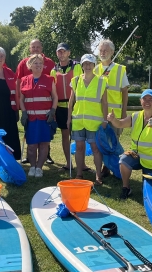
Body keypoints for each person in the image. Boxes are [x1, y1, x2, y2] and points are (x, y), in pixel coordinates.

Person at [107, 89, 152, 200]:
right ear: (141, 101)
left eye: (151, 99)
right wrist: (113, 119)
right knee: (123, 161)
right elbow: (120, 124)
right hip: (136, 155)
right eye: (145, 99)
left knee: (149, 192)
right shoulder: (135, 116)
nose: (147, 101)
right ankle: (126, 188)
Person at [66, 54, 108, 185]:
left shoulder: (102, 81)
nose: (87, 66)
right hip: (78, 121)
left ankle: (98, 175)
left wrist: (105, 120)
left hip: (94, 122)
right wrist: (69, 118)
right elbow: (71, 101)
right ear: (82, 65)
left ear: (94, 65)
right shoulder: (76, 80)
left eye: (90, 64)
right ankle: (79, 174)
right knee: (79, 147)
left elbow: (104, 103)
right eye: (85, 64)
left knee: (96, 149)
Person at [16, 39, 57, 164]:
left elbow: (54, 96)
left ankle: (42, 163)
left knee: (44, 142)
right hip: (31, 116)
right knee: (32, 142)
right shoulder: (24, 73)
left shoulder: (49, 73)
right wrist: (23, 111)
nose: (35, 49)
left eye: (38, 47)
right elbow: (21, 93)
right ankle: (32, 162)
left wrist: (53, 110)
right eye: (33, 47)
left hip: (45, 115)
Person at [94, 39, 129, 177]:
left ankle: (115, 166)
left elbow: (125, 91)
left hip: (115, 112)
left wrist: (124, 111)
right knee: (101, 140)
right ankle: (105, 166)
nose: (103, 53)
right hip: (99, 112)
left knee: (113, 140)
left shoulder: (120, 69)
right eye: (101, 50)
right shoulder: (95, 69)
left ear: (112, 52)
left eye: (106, 50)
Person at [53, 43, 83, 171]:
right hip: (61, 107)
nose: (62, 54)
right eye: (59, 52)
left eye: (64, 51)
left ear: (69, 53)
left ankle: (82, 165)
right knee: (65, 135)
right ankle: (68, 163)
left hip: (76, 106)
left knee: (78, 136)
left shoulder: (77, 67)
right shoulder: (54, 70)